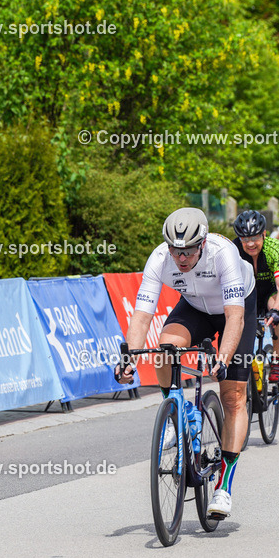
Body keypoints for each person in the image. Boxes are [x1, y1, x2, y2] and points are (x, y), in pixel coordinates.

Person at [115, 207, 255, 520]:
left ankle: (224, 486)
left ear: (202, 244)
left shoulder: (224, 254)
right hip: (194, 307)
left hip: (235, 307)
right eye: (176, 250)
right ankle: (174, 411)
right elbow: (141, 316)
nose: (181, 258)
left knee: (233, 396)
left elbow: (234, 318)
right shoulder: (159, 259)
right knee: (165, 347)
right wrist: (129, 358)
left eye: (188, 251)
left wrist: (222, 357)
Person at [232, 210, 279, 383]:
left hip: (269, 291)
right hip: (246, 292)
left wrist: (276, 310)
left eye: (254, 238)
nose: (250, 244)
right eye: (245, 239)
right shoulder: (233, 250)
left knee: (276, 307)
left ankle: (276, 359)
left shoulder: (275, 248)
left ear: (264, 234)